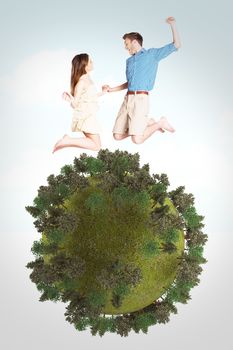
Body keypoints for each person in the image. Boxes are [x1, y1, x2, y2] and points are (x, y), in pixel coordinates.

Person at [104, 16, 181, 145]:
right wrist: (111, 89)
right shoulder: (129, 61)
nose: (125, 47)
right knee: (117, 135)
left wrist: (172, 24)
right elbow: (130, 83)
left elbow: (176, 45)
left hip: (141, 100)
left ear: (135, 42)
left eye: (127, 44)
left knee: (137, 139)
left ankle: (159, 123)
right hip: (127, 99)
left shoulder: (152, 55)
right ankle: (146, 122)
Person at [53, 53, 107, 153]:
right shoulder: (82, 81)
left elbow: (90, 97)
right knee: (96, 146)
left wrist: (103, 92)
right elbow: (75, 104)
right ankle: (67, 140)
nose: (92, 62)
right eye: (90, 61)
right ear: (84, 65)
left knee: (97, 145)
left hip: (89, 115)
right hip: (86, 117)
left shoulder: (87, 78)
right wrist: (70, 99)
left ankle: (67, 141)